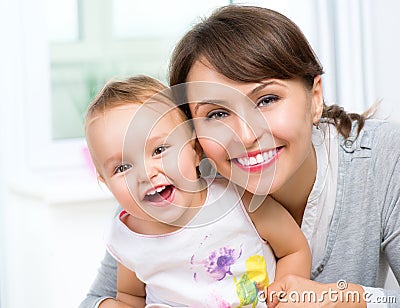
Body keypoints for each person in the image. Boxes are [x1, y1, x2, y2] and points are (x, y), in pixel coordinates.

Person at [80, 5, 400, 307]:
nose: (246, 135)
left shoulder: (384, 159)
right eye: (217, 114)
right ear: (192, 137)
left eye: (267, 99)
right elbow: (102, 298)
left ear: (315, 98)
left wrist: (350, 299)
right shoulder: (170, 189)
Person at [83, 75, 311, 307]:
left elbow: (294, 250)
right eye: (122, 167)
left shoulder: (239, 202)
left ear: (195, 150)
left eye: (159, 149)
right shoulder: (128, 238)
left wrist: (284, 298)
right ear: (105, 183)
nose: (145, 174)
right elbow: (131, 297)